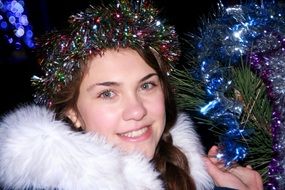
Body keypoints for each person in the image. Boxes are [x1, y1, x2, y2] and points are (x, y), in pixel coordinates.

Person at [0, 0, 263, 189]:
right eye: (107, 94)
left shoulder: (189, 173)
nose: (137, 110)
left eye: (146, 85)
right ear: (72, 113)